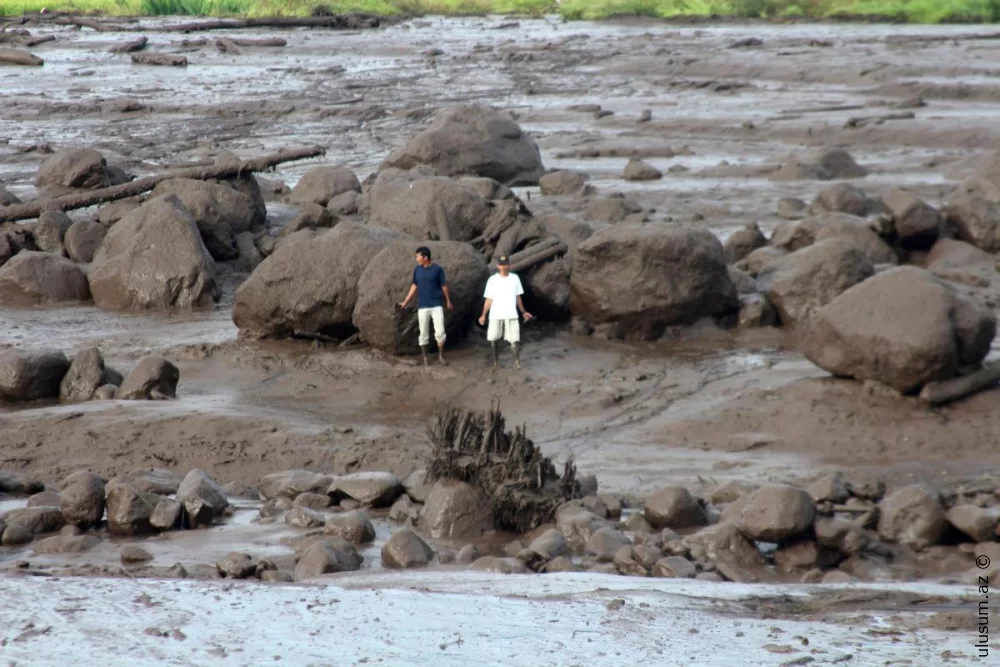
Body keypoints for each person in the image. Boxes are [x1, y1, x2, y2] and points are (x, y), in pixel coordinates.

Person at [398, 246, 453, 366]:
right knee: (423, 333)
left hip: (436, 305)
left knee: (440, 332)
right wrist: (406, 301)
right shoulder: (417, 270)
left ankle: (440, 356)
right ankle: (425, 358)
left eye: (418, 256)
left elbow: (444, 286)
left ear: (425, 257)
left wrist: (448, 301)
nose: (416, 259)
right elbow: (414, 286)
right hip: (422, 306)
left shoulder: (437, 269)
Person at [478, 255, 533, 369]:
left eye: (505, 264)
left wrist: (523, 312)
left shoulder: (515, 278)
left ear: (509, 265)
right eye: (501, 265)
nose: (503, 267)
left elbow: (518, 297)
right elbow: (489, 299)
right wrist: (483, 314)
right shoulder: (492, 280)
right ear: (498, 266)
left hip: (511, 313)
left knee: (515, 339)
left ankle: (517, 362)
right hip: (495, 314)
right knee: (493, 339)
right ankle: (495, 362)